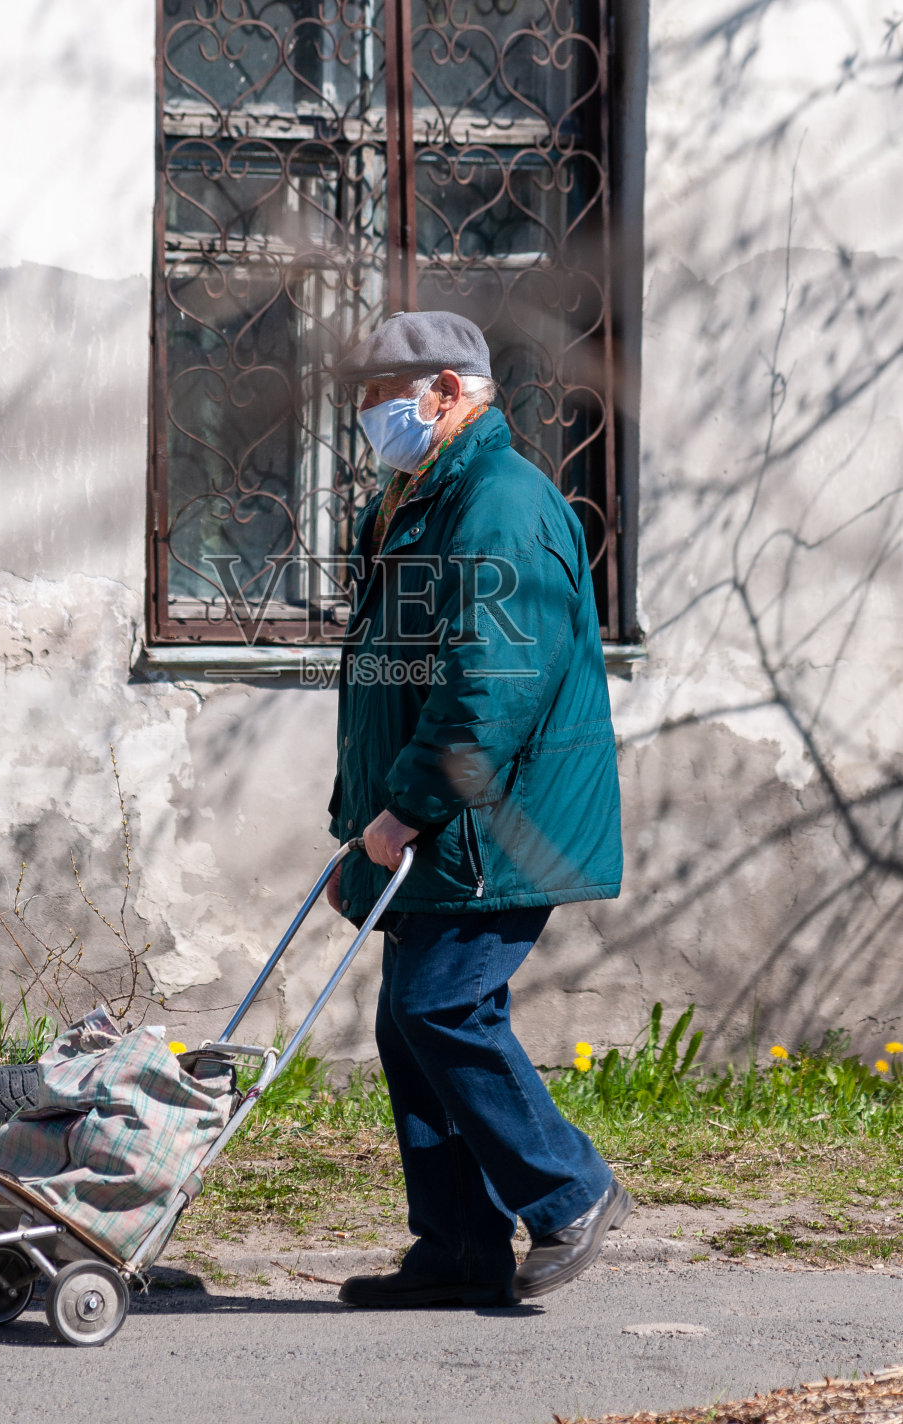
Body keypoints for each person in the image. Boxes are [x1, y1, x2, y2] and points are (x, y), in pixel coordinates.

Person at [324, 309, 630, 1309]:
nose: (368, 422)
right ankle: (458, 1247)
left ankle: (570, 1190)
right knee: (409, 1024)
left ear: (445, 393)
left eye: (378, 402)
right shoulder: (430, 498)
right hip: (446, 827)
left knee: (439, 1006)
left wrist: (405, 809)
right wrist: (365, 827)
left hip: (495, 823)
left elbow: (489, 688)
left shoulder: (499, 504)